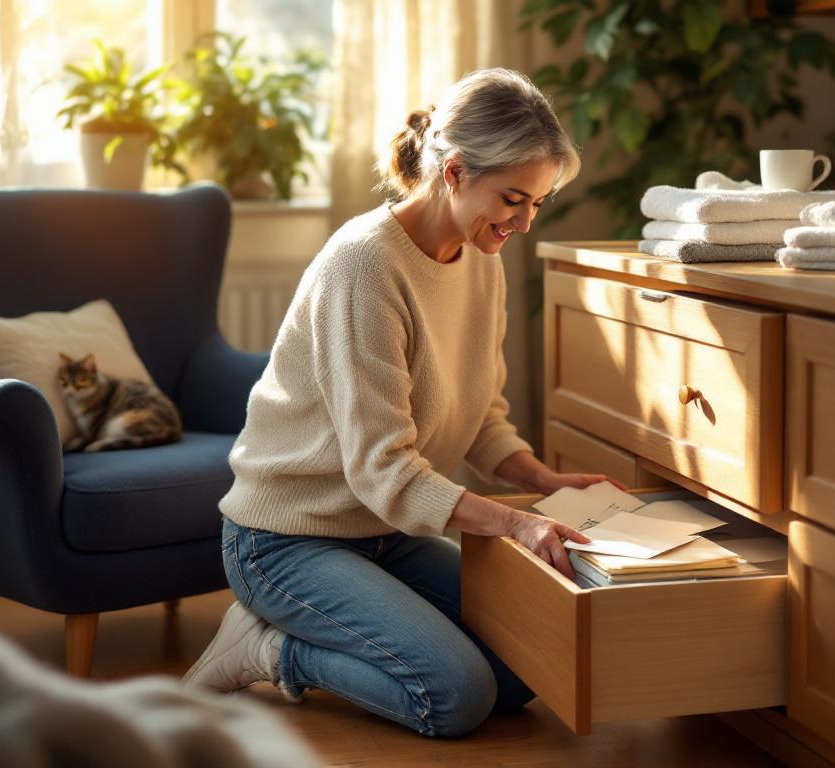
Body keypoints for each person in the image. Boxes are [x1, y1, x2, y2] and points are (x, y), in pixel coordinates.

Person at [183, 68, 618, 738]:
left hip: (389, 534)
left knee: (527, 664)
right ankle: (267, 648)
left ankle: (312, 634)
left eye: (539, 203)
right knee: (456, 695)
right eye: (512, 198)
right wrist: (514, 524)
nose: (524, 223)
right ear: (453, 172)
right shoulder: (363, 266)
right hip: (288, 539)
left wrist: (543, 481)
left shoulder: (482, 257)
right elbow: (383, 469)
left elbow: (482, 414)